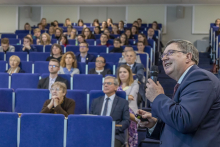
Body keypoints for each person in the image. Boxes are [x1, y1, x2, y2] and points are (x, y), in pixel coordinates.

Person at [138, 39, 220, 147]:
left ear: (188, 57)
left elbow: (184, 122)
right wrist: (155, 124)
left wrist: (158, 97)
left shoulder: (200, 78)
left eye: (170, 53)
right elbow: (178, 125)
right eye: (163, 55)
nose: (164, 58)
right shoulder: (185, 82)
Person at [90, 76, 130, 147]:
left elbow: (126, 121)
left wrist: (112, 129)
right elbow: (90, 119)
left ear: (116, 87)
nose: (105, 85)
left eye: (109, 83)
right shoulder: (96, 101)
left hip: (115, 135)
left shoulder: (123, 102)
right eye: (104, 83)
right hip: (96, 133)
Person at [117, 64, 139, 147]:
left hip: (132, 111)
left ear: (129, 73)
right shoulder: (116, 85)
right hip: (119, 111)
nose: (122, 74)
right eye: (120, 72)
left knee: (126, 113)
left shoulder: (135, 84)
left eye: (124, 72)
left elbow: (131, 96)